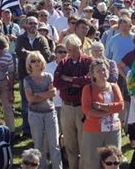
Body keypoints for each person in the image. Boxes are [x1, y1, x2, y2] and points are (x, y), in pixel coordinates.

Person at [53, 34, 92, 169]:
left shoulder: (88, 61)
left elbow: (89, 80)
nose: (72, 53)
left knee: (84, 142)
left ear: (80, 47)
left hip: (82, 106)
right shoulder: (64, 63)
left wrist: (70, 80)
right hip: (67, 107)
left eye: (75, 49)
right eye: (69, 50)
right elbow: (57, 82)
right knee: (69, 143)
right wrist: (76, 83)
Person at [80, 59, 124, 169]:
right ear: (92, 74)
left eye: (104, 70)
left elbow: (120, 106)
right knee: (92, 162)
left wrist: (103, 107)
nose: (102, 73)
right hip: (93, 131)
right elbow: (88, 111)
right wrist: (110, 110)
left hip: (113, 130)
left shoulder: (114, 86)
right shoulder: (88, 89)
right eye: (98, 71)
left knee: (113, 161)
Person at [16, 16, 53, 137]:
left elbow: (46, 55)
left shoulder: (42, 39)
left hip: (40, 76)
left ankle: (42, 129)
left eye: (35, 23)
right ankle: (27, 130)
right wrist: (36, 54)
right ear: (26, 25)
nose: (33, 25)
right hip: (25, 76)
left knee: (42, 100)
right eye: (30, 23)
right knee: (26, 104)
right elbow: (19, 52)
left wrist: (29, 53)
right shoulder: (21, 38)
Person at [24, 51, 62, 169]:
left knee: (54, 145)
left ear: (42, 62)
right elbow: (30, 99)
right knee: (38, 145)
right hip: (35, 115)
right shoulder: (27, 80)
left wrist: (38, 94)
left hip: (50, 113)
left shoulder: (48, 76)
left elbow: (53, 92)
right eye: (33, 61)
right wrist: (45, 94)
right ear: (29, 64)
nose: (36, 63)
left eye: (38, 60)